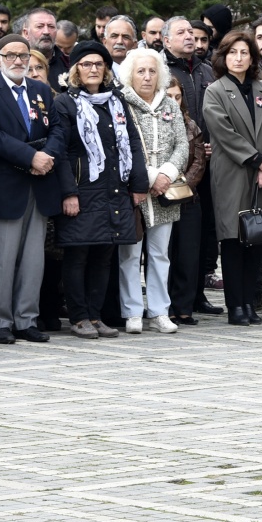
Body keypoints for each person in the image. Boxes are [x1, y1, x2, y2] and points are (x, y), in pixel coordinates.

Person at [50, 41, 149, 338]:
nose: (93, 69)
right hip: (82, 191)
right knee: (78, 254)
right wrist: (68, 192)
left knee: (104, 255)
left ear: (106, 69)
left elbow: (133, 142)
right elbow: (61, 152)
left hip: (114, 189)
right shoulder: (65, 103)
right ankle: (79, 317)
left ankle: (95, 316)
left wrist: (139, 183)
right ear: (76, 70)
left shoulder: (116, 101)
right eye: (86, 64)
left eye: (98, 64)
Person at [0, 33, 65, 344]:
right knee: (1, 259)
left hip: (39, 184)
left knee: (33, 259)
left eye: (23, 56)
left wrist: (47, 156)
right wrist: (31, 157)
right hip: (4, 186)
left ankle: (26, 319)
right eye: (10, 55)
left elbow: (57, 129)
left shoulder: (41, 90)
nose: (17, 61)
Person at [201, 31, 262, 326]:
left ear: (252, 58)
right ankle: (235, 305)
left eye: (244, 53)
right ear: (224, 57)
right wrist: (257, 159)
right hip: (232, 172)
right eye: (233, 52)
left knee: (256, 238)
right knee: (234, 239)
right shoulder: (215, 91)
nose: (238, 58)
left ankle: (250, 302)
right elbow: (222, 132)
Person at [118, 47, 188, 334]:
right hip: (132, 191)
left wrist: (166, 174)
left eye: (152, 71)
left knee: (160, 254)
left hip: (165, 192)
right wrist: (148, 177)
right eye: (141, 71)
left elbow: (182, 144)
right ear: (130, 75)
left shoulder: (170, 104)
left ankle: (159, 311)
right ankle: (132, 311)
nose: (147, 77)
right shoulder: (121, 103)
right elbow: (120, 147)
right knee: (129, 254)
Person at [161, 16, 219, 318]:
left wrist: (211, 145)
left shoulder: (207, 70)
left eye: (192, 33)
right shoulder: (160, 69)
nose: (190, 37)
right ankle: (171, 300)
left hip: (207, 165)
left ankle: (197, 295)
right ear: (165, 40)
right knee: (174, 241)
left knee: (202, 235)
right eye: (182, 32)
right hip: (172, 169)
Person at [162, 76, 208, 325]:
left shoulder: (191, 126)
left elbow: (199, 162)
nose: (173, 101)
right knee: (165, 254)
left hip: (188, 198)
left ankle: (184, 308)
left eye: (177, 97)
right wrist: (163, 185)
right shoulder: (154, 123)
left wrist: (181, 187)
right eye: (169, 96)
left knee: (188, 256)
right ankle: (165, 307)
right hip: (159, 197)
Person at [21, 7, 69, 90]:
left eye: (51, 27)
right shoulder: (16, 64)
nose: (46, 32)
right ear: (26, 33)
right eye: (40, 26)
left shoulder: (68, 63)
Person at [103, 15, 138, 82]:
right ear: (105, 42)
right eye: (114, 36)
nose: (119, 41)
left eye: (125, 37)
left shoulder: (143, 72)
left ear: (134, 44)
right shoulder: (98, 72)